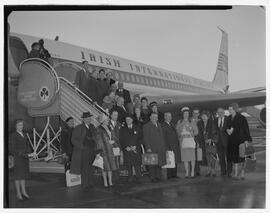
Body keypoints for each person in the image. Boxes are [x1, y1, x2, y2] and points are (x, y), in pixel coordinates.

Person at [70, 112, 97, 189]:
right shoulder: (78, 128)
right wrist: (81, 147)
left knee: (91, 166)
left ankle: (91, 182)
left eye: (90, 118)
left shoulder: (92, 127)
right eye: (87, 118)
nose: (89, 119)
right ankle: (85, 183)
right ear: (83, 119)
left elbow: (96, 137)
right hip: (84, 151)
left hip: (92, 150)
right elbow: (73, 140)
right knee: (85, 167)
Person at [9, 119, 34, 200]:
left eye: (22, 125)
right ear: (15, 126)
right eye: (19, 125)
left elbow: (27, 145)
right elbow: (12, 149)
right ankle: (18, 193)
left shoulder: (24, 134)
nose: (21, 127)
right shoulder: (13, 135)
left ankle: (24, 192)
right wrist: (23, 154)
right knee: (18, 176)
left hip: (24, 158)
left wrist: (31, 153)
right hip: (18, 158)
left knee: (23, 176)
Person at [227, 103, 252, 180]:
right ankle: (235, 173)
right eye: (229, 109)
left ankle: (242, 172)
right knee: (234, 158)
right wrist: (227, 130)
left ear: (235, 109)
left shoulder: (242, 118)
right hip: (232, 141)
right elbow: (227, 128)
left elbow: (246, 129)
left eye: (230, 109)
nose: (229, 110)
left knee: (242, 157)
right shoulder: (229, 118)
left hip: (241, 140)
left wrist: (247, 140)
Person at [143, 112, 167, 182]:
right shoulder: (146, 126)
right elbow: (146, 138)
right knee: (152, 164)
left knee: (159, 163)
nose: (154, 118)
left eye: (156, 117)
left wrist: (164, 147)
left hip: (160, 148)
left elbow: (162, 137)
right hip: (151, 148)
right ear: (150, 117)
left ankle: (158, 176)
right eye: (153, 117)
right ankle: (153, 178)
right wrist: (148, 148)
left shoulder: (159, 125)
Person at [119, 113, 143, 183]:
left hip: (136, 148)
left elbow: (141, 138)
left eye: (129, 119)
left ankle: (139, 176)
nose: (128, 121)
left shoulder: (137, 127)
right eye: (126, 119)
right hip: (127, 149)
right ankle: (130, 176)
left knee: (137, 163)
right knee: (129, 164)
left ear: (132, 120)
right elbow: (121, 139)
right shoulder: (122, 129)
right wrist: (125, 147)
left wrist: (136, 145)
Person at [96, 113, 117, 187]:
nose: (108, 121)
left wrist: (113, 141)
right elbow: (98, 141)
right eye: (107, 120)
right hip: (103, 150)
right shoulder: (98, 129)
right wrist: (98, 152)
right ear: (103, 121)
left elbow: (114, 135)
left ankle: (110, 181)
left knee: (110, 166)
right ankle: (105, 182)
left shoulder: (109, 127)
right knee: (104, 167)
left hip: (110, 149)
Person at [176, 107, 198, 178]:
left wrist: (191, 133)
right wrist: (181, 133)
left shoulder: (192, 121)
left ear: (189, 114)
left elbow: (196, 132)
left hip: (191, 142)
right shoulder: (179, 122)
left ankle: (192, 172)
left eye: (187, 113)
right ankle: (187, 172)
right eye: (184, 113)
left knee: (192, 158)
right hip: (183, 142)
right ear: (182, 114)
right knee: (185, 158)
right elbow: (177, 132)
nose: (186, 115)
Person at [162, 112, 181, 179]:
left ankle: (174, 175)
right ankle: (169, 175)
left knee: (175, 161)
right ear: (165, 117)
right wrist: (167, 148)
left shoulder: (172, 124)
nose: (169, 117)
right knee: (170, 161)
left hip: (175, 146)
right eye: (167, 116)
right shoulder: (163, 125)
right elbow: (164, 138)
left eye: (170, 116)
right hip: (169, 146)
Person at [198, 111, 217, 177]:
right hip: (203, 142)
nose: (203, 118)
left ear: (208, 117)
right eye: (202, 116)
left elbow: (214, 132)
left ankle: (213, 170)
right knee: (207, 157)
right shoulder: (199, 123)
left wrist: (210, 138)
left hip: (211, 142)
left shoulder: (212, 123)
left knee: (213, 156)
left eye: (205, 116)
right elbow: (199, 133)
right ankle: (209, 170)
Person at [214, 107, 230, 177]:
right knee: (221, 157)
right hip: (219, 142)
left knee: (228, 157)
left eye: (221, 112)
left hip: (227, 142)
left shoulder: (228, 119)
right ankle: (223, 171)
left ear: (224, 112)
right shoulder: (215, 120)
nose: (219, 114)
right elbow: (214, 130)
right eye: (218, 112)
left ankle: (229, 171)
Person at [108, 110, 122, 181]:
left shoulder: (119, 124)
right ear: (111, 115)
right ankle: (112, 178)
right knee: (111, 161)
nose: (116, 117)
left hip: (117, 146)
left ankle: (117, 177)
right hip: (110, 146)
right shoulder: (107, 124)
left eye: (116, 115)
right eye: (114, 115)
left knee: (117, 161)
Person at [191, 107, 201, 176]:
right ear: (192, 114)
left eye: (197, 113)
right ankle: (191, 170)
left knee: (198, 156)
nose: (195, 114)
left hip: (199, 140)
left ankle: (197, 171)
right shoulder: (189, 120)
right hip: (191, 140)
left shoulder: (201, 121)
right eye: (194, 113)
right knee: (191, 156)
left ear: (199, 114)